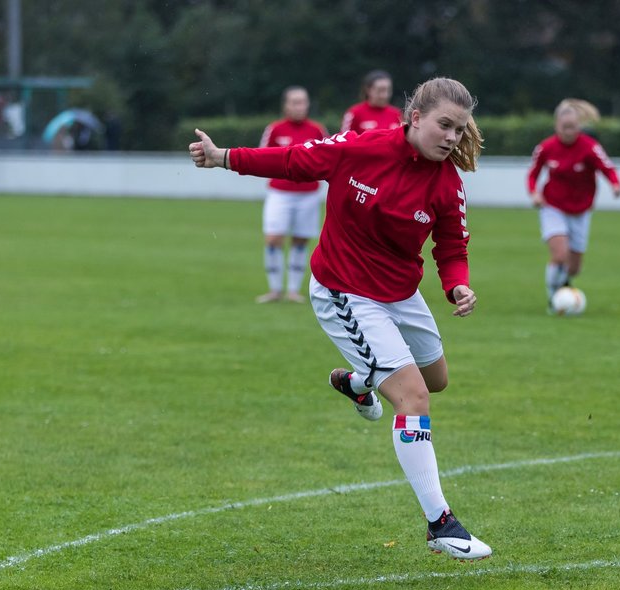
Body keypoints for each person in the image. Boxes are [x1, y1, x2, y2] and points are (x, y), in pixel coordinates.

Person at [189, 78, 491, 559]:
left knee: (436, 381)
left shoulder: (447, 183)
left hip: (401, 293)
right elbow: (292, 162)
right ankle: (441, 524)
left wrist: (457, 283)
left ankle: (357, 382)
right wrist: (223, 156)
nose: (453, 137)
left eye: (459, 129)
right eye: (444, 125)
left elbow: (452, 246)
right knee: (412, 398)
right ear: (415, 118)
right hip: (344, 291)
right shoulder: (359, 148)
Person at [527, 99, 620, 308]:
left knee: (574, 267)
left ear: (579, 126)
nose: (569, 132)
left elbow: (608, 168)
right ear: (556, 126)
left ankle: (564, 284)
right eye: (564, 127)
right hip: (552, 206)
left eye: (573, 127)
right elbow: (533, 174)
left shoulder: (590, 147)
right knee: (560, 255)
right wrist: (534, 193)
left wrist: (615, 184)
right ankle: (554, 297)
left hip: (580, 211)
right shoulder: (546, 147)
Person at [255, 87, 328, 304]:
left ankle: (293, 290)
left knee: (300, 240)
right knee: (273, 238)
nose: (299, 106)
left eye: (303, 102)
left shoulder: (317, 130)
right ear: (286, 105)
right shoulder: (275, 129)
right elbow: (262, 157)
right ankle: (275, 289)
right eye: (294, 102)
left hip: (308, 194)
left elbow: (328, 157)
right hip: (280, 192)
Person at [339, 70, 403, 135]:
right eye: (380, 90)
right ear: (368, 90)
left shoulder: (397, 114)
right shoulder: (354, 113)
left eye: (388, 90)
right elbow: (343, 140)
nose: (385, 95)